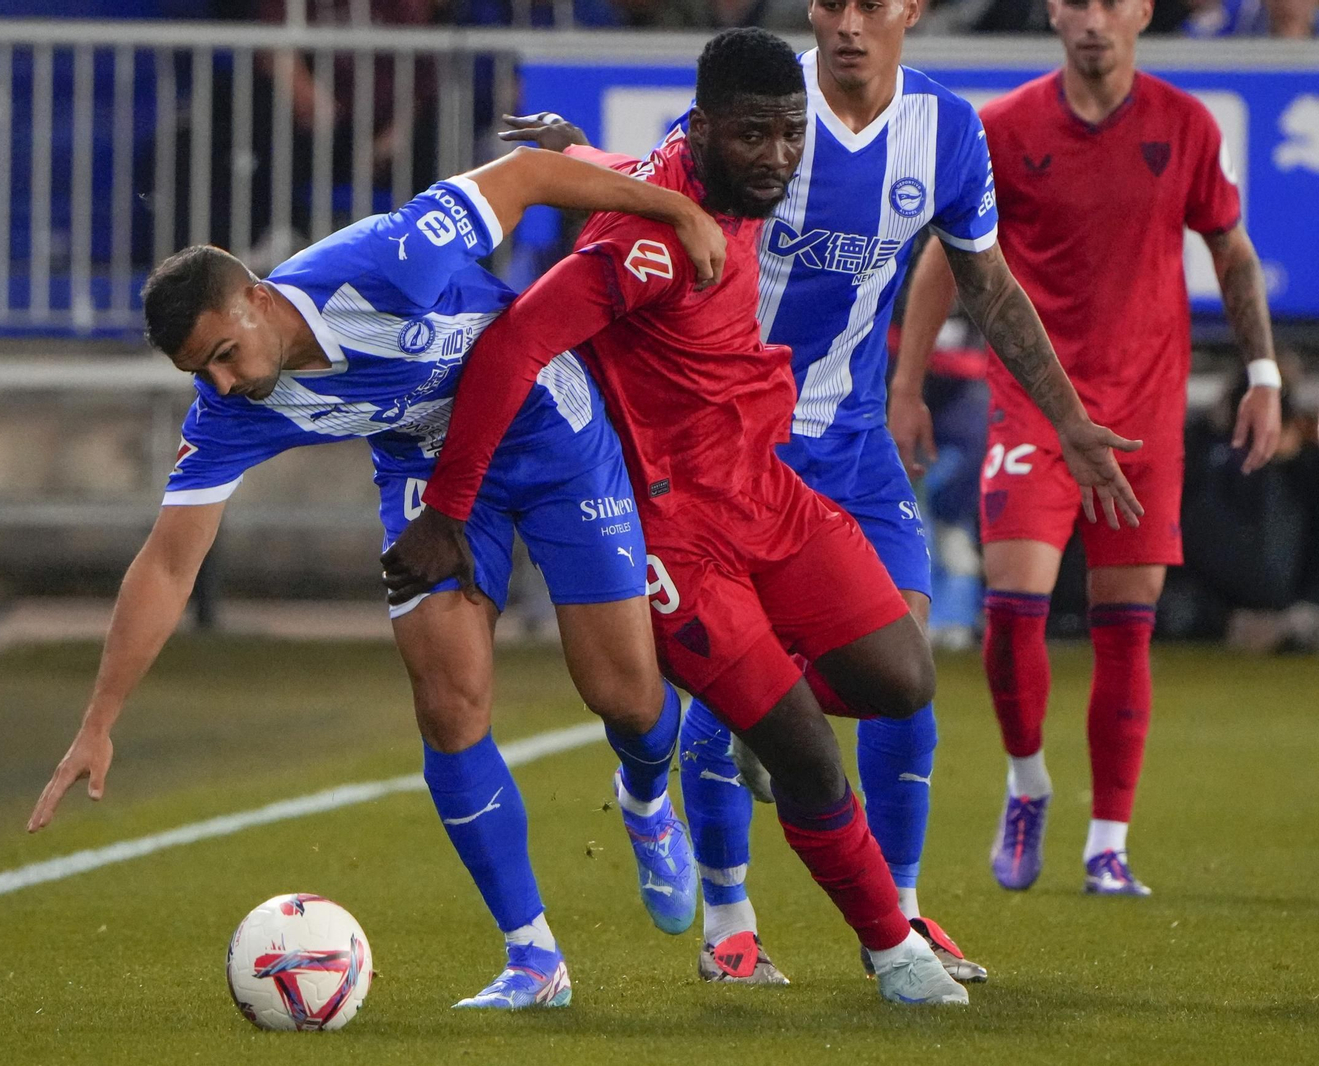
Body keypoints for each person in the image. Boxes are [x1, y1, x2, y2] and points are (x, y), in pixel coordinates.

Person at [387, 28, 1137, 1005]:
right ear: (702, 134)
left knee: (902, 676)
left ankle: (728, 732)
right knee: (804, 749)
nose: (780, 158)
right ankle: (886, 945)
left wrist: (577, 151)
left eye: (790, 136)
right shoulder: (647, 242)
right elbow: (511, 347)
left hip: (767, 490)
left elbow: (645, 166)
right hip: (676, 533)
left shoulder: (729, 183)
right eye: (756, 138)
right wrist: (447, 509)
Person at [26, 145, 731, 1010]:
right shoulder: (230, 410)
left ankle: (647, 795)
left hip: (545, 426)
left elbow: (531, 173)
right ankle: (533, 959)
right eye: (197, 372)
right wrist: (99, 721)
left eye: (220, 353)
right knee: (447, 701)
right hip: (426, 476)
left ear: (255, 298)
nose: (220, 382)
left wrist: (675, 209)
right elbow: (169, 563)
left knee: (623, 693)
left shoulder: (383, 262)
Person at [896, 0, 1283, 896]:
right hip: (1036, 409)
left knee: (1126, 632)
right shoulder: (1003, 127)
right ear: (1055, 13)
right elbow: (944, 258)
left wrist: (1263, 372)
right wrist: (907, 387)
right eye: (1079, 0)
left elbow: (1231, 249)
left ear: (1143, 12)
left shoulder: (1185, 125)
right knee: (1012, 612)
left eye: (1115, 0)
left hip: (1143, 412)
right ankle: (1027, 780)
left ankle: (1108, 842)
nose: (1096, 19)